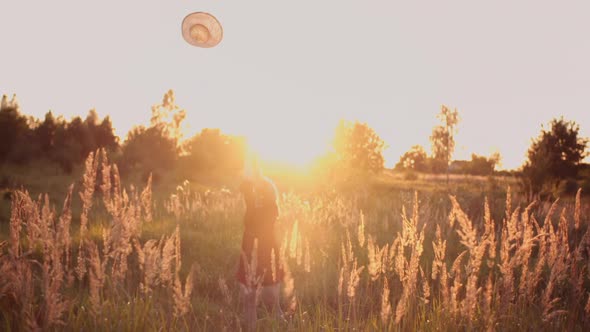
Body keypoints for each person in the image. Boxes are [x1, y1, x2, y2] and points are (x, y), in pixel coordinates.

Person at [235, 158, 285, 330]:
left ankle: (283, 325)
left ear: (258, 168)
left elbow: (271, 216)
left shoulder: (268, 186)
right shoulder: (246, 187)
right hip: (249, 243)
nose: (247, 170)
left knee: (272, 298)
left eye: (251, 167)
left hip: (267, 245)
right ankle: (251, 327)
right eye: (246, 167)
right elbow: (246, 197)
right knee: (248, 296)